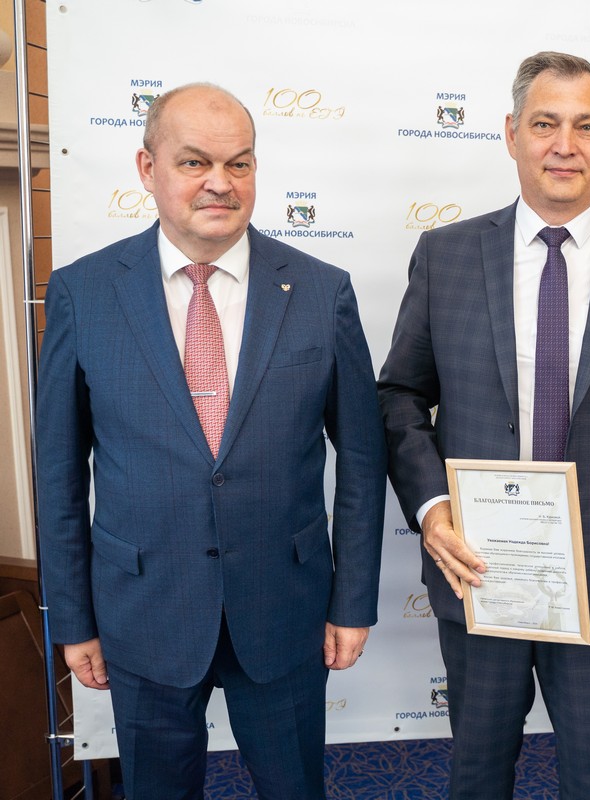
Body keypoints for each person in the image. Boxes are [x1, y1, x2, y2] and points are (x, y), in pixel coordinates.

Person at [35, 83, 387, 799]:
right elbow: (58, 473)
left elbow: (361, 458)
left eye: (239, 163)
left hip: (284, 608)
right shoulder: (83, 292)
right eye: (194, 162)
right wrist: (71, 619)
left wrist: (352, 602)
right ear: (147, 168)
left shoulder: (322, 292)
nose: (220, 183)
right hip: (143, 610)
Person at [378, 51, 590, 800]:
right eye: (545, 124)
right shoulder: (446, 255)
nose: (565, 145)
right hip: (478, 568)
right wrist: (432, 509)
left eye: (586, 126)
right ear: (510, 133)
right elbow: (399, 396)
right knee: (477, 772)